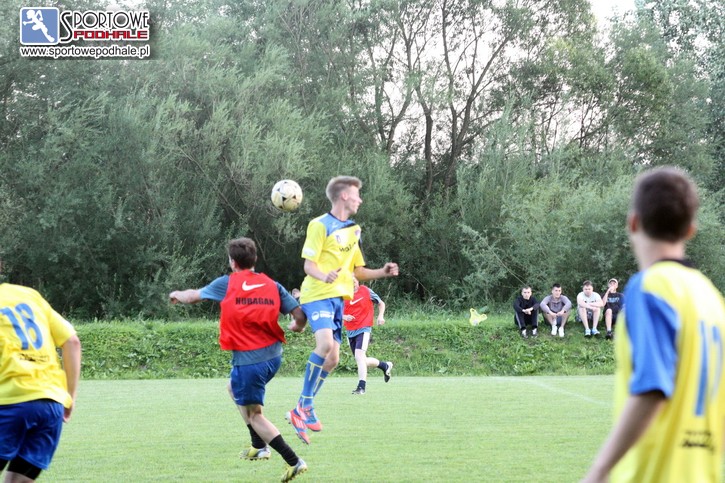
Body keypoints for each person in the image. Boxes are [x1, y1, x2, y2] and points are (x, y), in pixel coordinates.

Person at [583, 167, 725, 482]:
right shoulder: (712, 299)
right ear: (690, 229)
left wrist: (599, 471)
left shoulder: (651, 287)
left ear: (633, 222)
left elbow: (652, 389)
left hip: (653, 474)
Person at [169, 237, 308, 482]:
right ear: (254, 260)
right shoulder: (272, 285)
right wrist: (298, 326)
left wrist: (176, 294)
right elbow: (299, 314)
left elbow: (192, 296)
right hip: (273, 356)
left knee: (255, 415)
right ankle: (258, 445)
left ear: (233, 262)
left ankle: (294, 461)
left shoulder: (228, 283)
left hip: (250, 361)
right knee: (233, 388)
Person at [286, 175, 399, 445]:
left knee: (333, 360)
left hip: (338, 299)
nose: (360, 199)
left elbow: (357, 270)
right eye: (357, 194)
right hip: (317, 294)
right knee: (325, 345)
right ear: (344, 196)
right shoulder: (319, 225)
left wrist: (382, 272)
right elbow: (309, 265)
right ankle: (303, 406)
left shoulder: (353, 229)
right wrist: (323, 275)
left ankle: (302, 409)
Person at [0, 283, 81, 482]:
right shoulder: (30, 295)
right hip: (51, 405)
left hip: (10, 401)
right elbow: (72, 342)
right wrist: (69, 397)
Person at [343, 277, 393, 395]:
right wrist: (344, 317)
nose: (352, 285)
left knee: (359, 356)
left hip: (364, 328)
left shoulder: (366, 291)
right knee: (362, 360)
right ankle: (384, 365)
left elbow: (381, 303)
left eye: (354, 282)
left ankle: (361, 387)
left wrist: (380, 316)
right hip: (350, 330)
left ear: (357, 282)